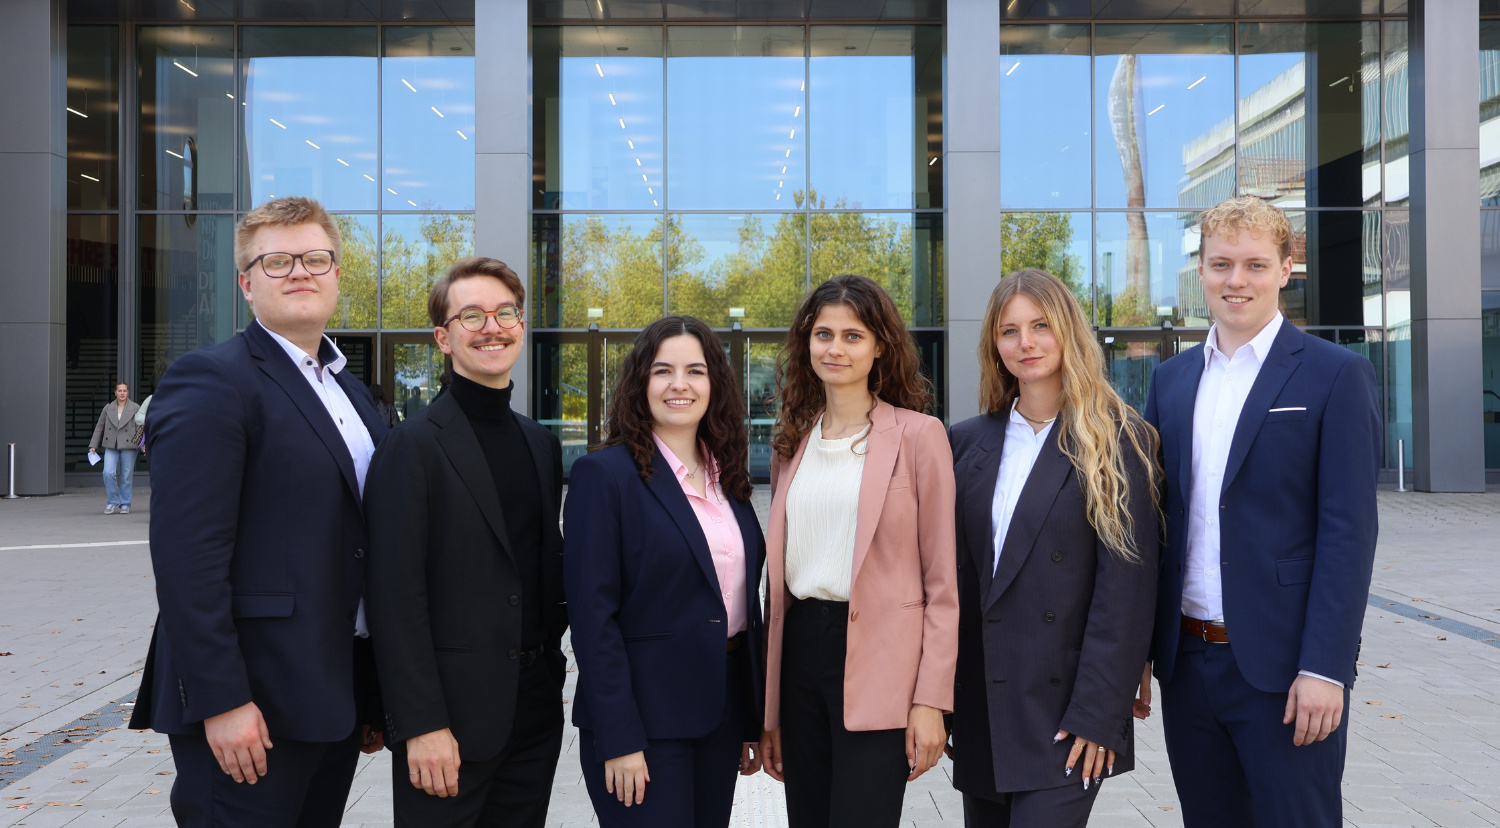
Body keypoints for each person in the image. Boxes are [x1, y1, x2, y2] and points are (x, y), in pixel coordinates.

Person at [129, 196, 389, 827]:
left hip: (332, 695)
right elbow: (188, 561)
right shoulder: (211, 380)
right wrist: (221, 701)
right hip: (253, 701)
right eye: (276, 261)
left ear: (336, 274)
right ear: (246, 284)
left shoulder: (350, 390)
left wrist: (371, 695)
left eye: (315, 258)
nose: (299, 271)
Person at [1138, 196, 1382, 828]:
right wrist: (1138, 654)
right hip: (1188, 666)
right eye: (1221, 264)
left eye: (1253, 264)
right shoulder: (1171, 381)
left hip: (1285, 672)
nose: (1235, 280)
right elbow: (1155, 525)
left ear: (1286, 269)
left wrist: (1326, 667)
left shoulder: (1335, 376)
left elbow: (1347, 535)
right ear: (1201, 272)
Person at [947, 269, 1161, 827]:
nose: (1026, 343)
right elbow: (954, 583)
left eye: (1041, 325)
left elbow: (1127, 593)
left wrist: (1100, 713)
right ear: (994, 345)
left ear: (1068, 331)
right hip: (984, 708)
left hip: (1067, 715)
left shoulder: (1119, 440)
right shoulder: (966, 442)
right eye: (1009, 330)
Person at [364, 256, 568, 828]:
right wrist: (421, 724)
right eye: (471, 315)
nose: (492, 327)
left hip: (532, 712)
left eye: (506, 313)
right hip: (448, 723)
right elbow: (393, 596)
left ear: (522, 326)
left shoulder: (538, 443)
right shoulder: (412, 446)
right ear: (443, 337)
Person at [757, 274, 958, 828]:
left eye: (852, 335)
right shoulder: (791, 442)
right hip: (801, 651)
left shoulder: (920, 436)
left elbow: (943, 584)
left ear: (879, 347)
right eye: (823, 334)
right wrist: (769, 708)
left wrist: (930, 701)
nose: (835, 348)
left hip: (882, 660)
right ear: (806, 345)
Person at [564, 315, 768, 828]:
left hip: (719, 715)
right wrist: (620, 736)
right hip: (644, 725)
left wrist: (748, 715)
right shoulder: (604, 475)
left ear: (714, 384)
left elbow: (740, 603)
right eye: (663, 371)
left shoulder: (730, 477)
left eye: (695, 371)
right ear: (641, 383)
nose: (680, 384)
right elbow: (592, 619)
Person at [88, 381, 141, 514]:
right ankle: (112, 501)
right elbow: (99, 426)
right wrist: (93, 445)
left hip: (129, 445)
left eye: (124, 391)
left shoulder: (135, 407)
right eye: (120, 391)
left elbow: (140, 428)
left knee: (126, 475)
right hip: (111, 444)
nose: (122, 393)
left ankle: (125, 503)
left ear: (128, 392)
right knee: (108, 472)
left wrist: (143, 445)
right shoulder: (108, 408)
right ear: (115, 392)